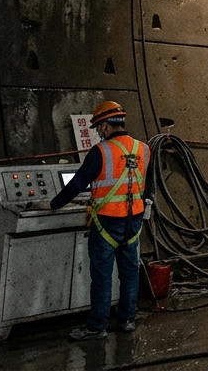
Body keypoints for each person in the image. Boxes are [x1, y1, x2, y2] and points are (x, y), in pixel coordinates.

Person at [48, 101, 152, 340]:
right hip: (134, 221)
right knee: (129, 273)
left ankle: (96, 327)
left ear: (106, 125)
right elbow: (146, 184)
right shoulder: (143, 149)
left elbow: (77, 183)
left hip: (107, 222)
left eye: (98, 127)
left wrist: (54, 204)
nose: (98, 132)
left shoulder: (101, 151)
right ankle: (126, 320)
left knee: (102, 276)